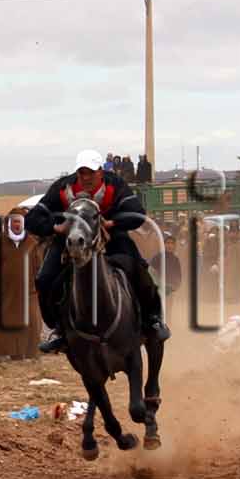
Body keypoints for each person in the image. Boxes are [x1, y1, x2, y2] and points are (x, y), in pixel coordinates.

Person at [30, 149, 171, 354]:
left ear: (100, 172)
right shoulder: (62, 187)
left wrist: (114, 222)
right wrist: (55, 227)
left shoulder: (116, 184)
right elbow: (33, 218)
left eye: (91, 172)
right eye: (82, 173)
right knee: (44, 279)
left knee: (140, 270)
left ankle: (153, 321)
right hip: (71, 239)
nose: (86, 177)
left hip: (110, 237)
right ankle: (58, 330)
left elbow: (137, 214)